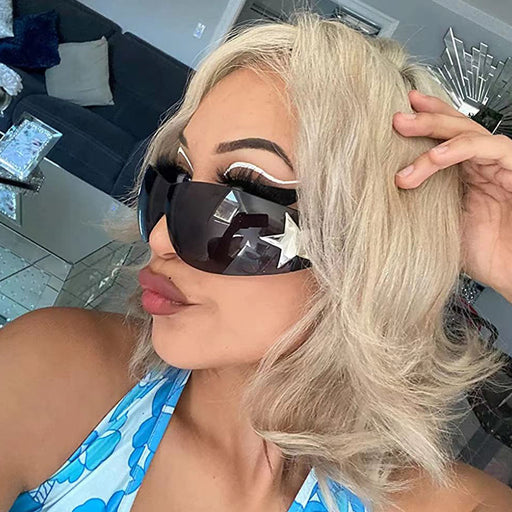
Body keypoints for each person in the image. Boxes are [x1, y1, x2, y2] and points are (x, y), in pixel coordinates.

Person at [2, 11, 512, 512]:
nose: (160, 238)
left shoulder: (444, 503)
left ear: (372, 254)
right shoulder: (56, 374)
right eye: (172, 181)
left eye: (240, 200)